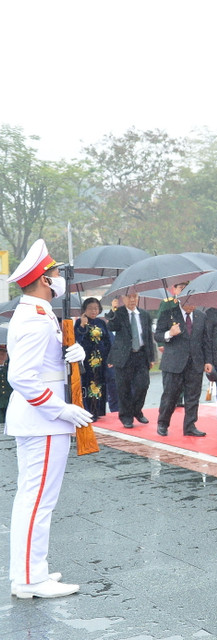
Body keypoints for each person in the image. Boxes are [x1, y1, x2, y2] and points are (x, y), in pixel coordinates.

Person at [6, 238, 90, 599]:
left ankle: (32, 570)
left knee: (36, 499)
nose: (59, 280)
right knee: (37, 500)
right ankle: (28, 580)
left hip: (42, 420)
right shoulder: (37, 319)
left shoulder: (38, 314)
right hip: (44, 420)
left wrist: (71, 355)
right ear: (43, 280)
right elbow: (21, 377)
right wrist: (61, 409)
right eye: (55, 274)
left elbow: (43, 368)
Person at [154, 295, 207, 437]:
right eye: (189, 302)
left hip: (195, 362)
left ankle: (190, 426)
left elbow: (205, 340)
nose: (192, 306)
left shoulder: (201, 316)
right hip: (173, 363)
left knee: (193, 396)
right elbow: (157, 335)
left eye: (195, 302)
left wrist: (207, 361)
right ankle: (163, 424)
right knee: (170, 395)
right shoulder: (169, 314)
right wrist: (169, 333)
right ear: (182, 300)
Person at [107, 291, 156, 429]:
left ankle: (137, 410)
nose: (132, 299)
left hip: (141, 355)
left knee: (143, 385)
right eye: (129, 296)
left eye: (135, 296)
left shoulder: (144, 315)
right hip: (124, 356)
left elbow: (148, 337)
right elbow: (111, 326)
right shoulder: (119, 313)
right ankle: (126, 416)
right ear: (123, 298)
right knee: (124, 388)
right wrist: (113, 310)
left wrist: (151, 357)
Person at [74, 297, 112, 422]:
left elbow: (107, 340)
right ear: (84, 309)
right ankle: (90, 411)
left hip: (101, 359)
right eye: (90, 308)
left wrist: (109, 356)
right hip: (87, 359)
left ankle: (98, 410)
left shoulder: (101, 323)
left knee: (99, 383)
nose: (93, 311)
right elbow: (77, 339)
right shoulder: (80, 321)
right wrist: (83, 326)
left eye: (96, 308)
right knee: (89, 384)